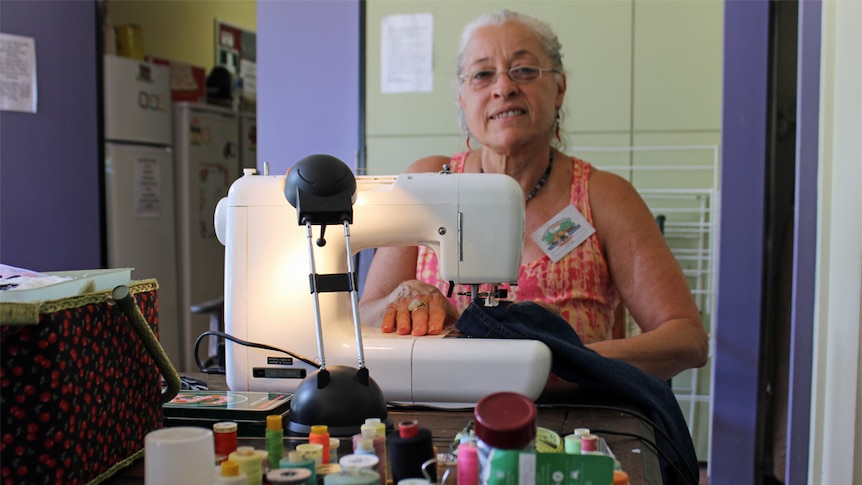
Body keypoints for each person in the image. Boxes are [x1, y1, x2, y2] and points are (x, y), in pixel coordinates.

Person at [358, 9, 708, 381]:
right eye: (482, 74)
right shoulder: (426, 183)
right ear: (462, 99)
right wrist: (404, 296)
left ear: (559, 89)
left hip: (571, 425)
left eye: (524, 71)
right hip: (438, 413)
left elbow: (685, 338)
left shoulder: (603, 198)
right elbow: (360, 315)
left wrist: (557, 365)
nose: (503, 87)